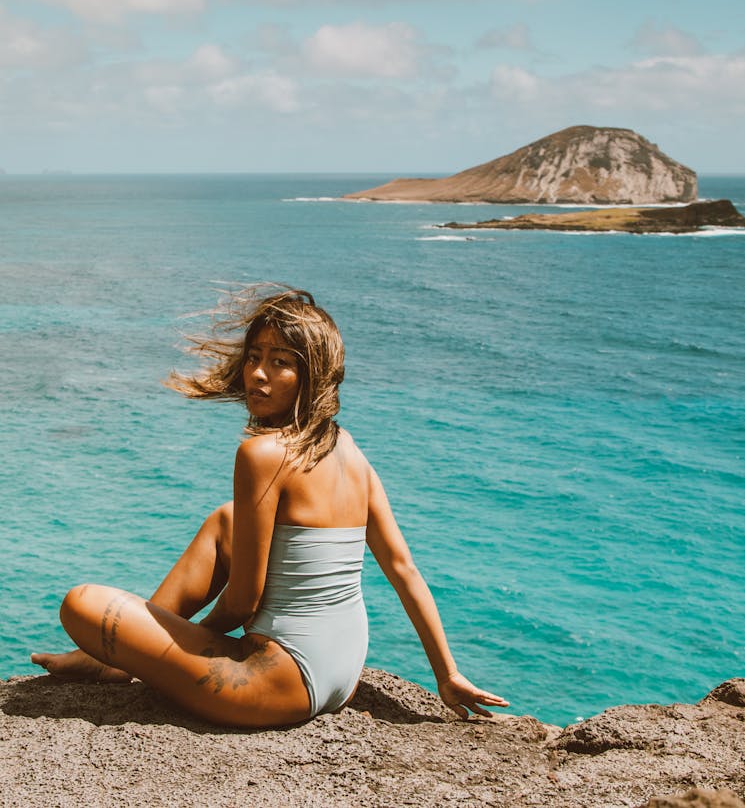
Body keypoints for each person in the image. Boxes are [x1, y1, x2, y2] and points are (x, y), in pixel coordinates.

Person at [31, 286, 508, 727]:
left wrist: (172, 638)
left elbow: (244, 602)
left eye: (280, 362)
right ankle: (111, 660)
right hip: (341, 675)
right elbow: (403, 568)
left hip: (279, 683)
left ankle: (113, 663)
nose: (258, 373)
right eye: (254, 356)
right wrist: (448, 673)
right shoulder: (349, 449)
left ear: (311, 375)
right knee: (225, 520)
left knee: (81, 604)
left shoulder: (262, 455)